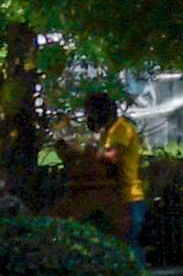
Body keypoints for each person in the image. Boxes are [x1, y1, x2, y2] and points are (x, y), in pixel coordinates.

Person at [53, 88, 144, 242]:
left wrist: (83, 150)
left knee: (128, 243)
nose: (89, 117)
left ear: (101, 112)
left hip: (128, 197)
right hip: (115, 195)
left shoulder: (122, 129)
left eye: (90, 113)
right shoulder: (106, 132)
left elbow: (113, 156)